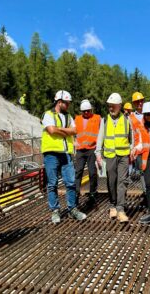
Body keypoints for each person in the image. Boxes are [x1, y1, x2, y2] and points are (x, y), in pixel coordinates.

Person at [41, 90, 87, 224]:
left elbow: (74, 130)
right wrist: (66, 131)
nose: (68, 106)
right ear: (59, 102)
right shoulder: (48, 115)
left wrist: (59, 130)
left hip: (66, 153)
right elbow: (51, 130)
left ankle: (72, 209)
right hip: (51, 153)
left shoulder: (69, 117)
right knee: (52, 184)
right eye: (66, 103)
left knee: (71, 182)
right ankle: (55, 211)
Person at [95, 93, 135, 222]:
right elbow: (100, 137)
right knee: (112, 181)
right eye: (109, 106)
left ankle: (121, 209)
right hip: (110, 155)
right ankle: (112, 205)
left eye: (113, 106)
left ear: (119, 105)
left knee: (122, 181)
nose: (111, 108)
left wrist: (132, 149)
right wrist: (98, 154)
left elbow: (131, 138)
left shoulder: (127, 119)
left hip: (123, 155)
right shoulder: (105, 120)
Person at [75, 99, 101, 206]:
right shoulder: (76, 119)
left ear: (91, 110)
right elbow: (71, 132)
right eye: (84, 111)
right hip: (80, 150)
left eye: (88, 111)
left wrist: (100, 149)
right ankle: (75, 194)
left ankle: (92, 194)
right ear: (81, 111)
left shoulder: (97, 118)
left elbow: (102, 132)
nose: (86, 113)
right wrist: (73, 142)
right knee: (78, 172)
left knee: (92, 173)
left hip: (92, 149)